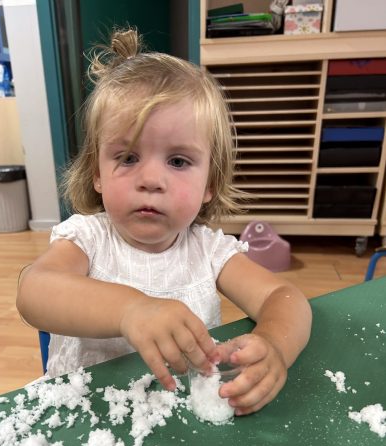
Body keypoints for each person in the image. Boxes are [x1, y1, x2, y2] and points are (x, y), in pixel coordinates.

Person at [17, 27, 312, 416]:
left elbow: (285, 298)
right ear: (97, 173)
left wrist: (274, 344)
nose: (151, 179)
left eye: (178, 161)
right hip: (85, 415)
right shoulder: (88, 238)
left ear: (210, 183)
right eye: (128, 157)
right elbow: (33, 291)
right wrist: (130, 310)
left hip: (177, 417)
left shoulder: (208, 250)